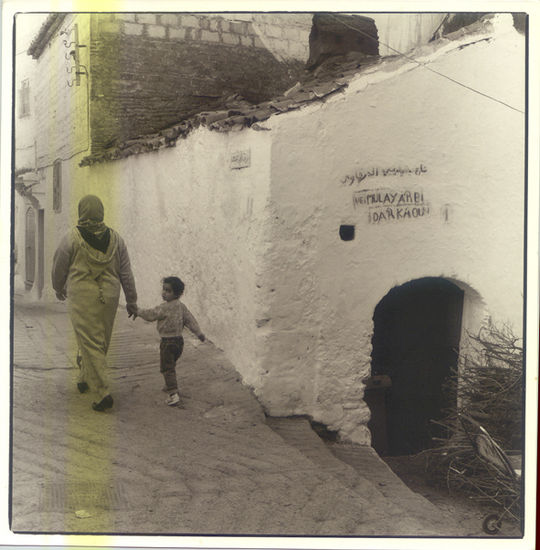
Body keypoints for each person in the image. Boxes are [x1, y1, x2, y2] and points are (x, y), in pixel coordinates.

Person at [52, 195, 138, 412]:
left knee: (89, 340)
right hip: (109, 296)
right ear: (101, 211)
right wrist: (131, 300)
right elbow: (126, 272)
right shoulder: (116, 238)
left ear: (82, 211)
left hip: (82, 295)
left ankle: (102, 392)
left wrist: (57, 286)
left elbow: (59, 265)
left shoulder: (71, 237)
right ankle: (84, 378)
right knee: (99, 338)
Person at [133, 276, 205, 407]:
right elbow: (190, 321)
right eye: (163, 289)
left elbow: (151, 315)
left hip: (167, 343)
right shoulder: (182, 307)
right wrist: (199, 333)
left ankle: (173, 394)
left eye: (168, 291)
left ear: (176, 294)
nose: (164, 293)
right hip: (179, 342)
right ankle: (169, 384)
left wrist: (137, 311)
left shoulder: (164, 308)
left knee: (167, 368)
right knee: (170, 365)